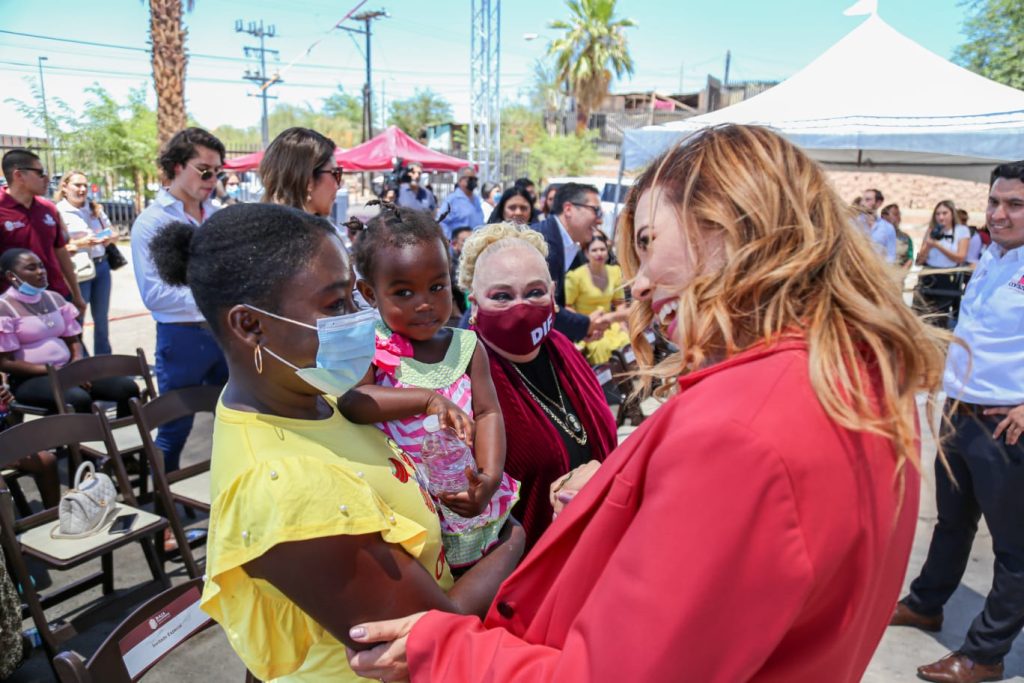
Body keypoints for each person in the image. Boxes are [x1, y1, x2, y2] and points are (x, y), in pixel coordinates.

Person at [346, 124, 949, 683]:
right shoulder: (858, 380)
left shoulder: (738, 429)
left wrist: (441, 647)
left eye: (649, 241)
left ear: (726, 226)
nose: (637, 284)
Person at [145, 202, 523, 681]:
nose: (359, 318)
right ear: (250, 326)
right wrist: (515, 542)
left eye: (353, 299)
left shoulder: (305, 389)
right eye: (335, 304)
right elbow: (430, 636)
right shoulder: (286, 487)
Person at [889, 161, 1024, 683]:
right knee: (952, 521)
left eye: (1015, 204)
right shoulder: (991, 255)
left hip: (1004, 426)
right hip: (960, 410)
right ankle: (927, 603)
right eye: (995, 201)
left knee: (1014, 549)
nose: (1000, 213)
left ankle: (985, 654)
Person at [339, 204, 520, 570]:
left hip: (465, 497)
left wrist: (489, 477)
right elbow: (355, 402)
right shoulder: (370, 348)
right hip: (405, 512)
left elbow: (488, 414)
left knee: (478, 582)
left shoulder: (466, 347)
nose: (425, 303)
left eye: (437, 287)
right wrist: (426, 399)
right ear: (370, 294)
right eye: (403, 293)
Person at [453, 223, 616, 551]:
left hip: (599, 544)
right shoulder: (463, 383)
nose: (521, 307)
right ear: (474, 304)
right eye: (502, 296)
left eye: (535, 292)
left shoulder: (563, 348)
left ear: (553, 294)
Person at [131, 127, 229, 473]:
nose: (212, 178)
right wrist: (213, 294)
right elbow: (154, 295)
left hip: (224, 333)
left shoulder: (217, 216)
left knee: (237, 420)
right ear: (176, 167)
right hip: (182, 338)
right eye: (205, 170)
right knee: (175, 427)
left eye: (218, 171)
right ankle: (163, 509)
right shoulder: (152, 221)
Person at [0, 248, 139, 422]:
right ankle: (80, 446)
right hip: (30, 379)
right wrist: (53, 371)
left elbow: (73, 340)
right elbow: (5, 362)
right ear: (12, 276)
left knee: (126, 388)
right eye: (31, 268)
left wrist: (76, 362)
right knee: (78, 398)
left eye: (41, 266)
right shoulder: (4, 307)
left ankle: (123, 442)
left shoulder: (54, 298)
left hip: (68, 370)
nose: (41, 272)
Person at [0, 150, 86, 315]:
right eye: (40, 173)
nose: (47, 179)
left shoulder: (48, 208)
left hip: (57, 297)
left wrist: (76, 294)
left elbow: (61, 253)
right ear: (18, 175)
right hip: (16, 308)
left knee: (72, 341)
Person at [531, 182, 609, 343]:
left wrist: (582, 329)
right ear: (568, 209)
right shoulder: (543, 244)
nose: (599, 220)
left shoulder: (565, 245)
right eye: (596, 210)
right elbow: (540, 307)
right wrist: (586, 325)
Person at [55, 171, 118, 354]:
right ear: (65, 187)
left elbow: (113, 232)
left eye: (85, 185)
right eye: (77, 185)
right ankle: (80, 361)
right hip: (78, 269)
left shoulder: (94, 208)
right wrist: (81, 243)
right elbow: (56, 246)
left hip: (102, 266)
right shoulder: (58, 211)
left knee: (101, 318)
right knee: (77, 318)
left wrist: (107, 238)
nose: (82, 189)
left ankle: (104, 360)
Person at [564, 234, 630, 365]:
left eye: (602, 249)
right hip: (589, 328)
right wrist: (584, 325)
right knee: (601, 347)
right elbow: (567, 306)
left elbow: (619, 303)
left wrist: (622, 324)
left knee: (627, 341)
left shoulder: (615, 271)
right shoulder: (575, 277)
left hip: (611, 324)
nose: (599, 253)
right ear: (586, 253)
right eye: (594, 250)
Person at [260, 127, 341, 218]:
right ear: (308, 181)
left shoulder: (255, 224)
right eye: (335, 173)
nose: (339, 185)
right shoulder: (305, 230)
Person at [914, 199, 971, 327]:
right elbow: (919, 261)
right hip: (928, 275)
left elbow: (960, 257)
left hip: (947, 277)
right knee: (921, 314)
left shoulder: (961, 231)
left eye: (944, 213)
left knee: (940, 316)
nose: (941, 217)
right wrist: (928, 246)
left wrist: (938, 246)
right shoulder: (931, 231)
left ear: (952, 214)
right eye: (938, 214)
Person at [437, 167, 483, 239]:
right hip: (459, 246)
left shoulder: (477, 199)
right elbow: (441, 222)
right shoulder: (452, 200)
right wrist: (451, 239)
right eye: (470, 179)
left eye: (475, 179)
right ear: (460, 180)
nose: (473, 181)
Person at [861, 188, 898, 263]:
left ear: (878, 203)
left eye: (867, 200)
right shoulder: (852, 224)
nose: (862, 203)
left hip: (877, 271)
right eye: (863, 200)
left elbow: (891, 255)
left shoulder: (888, 228)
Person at [882, 203, 914, 269]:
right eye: (895, 214)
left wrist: (901, 274)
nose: (899, 217)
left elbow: (910, 258)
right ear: (884, 216)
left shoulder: (905, 238)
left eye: (899, 214)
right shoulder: (875, 235)